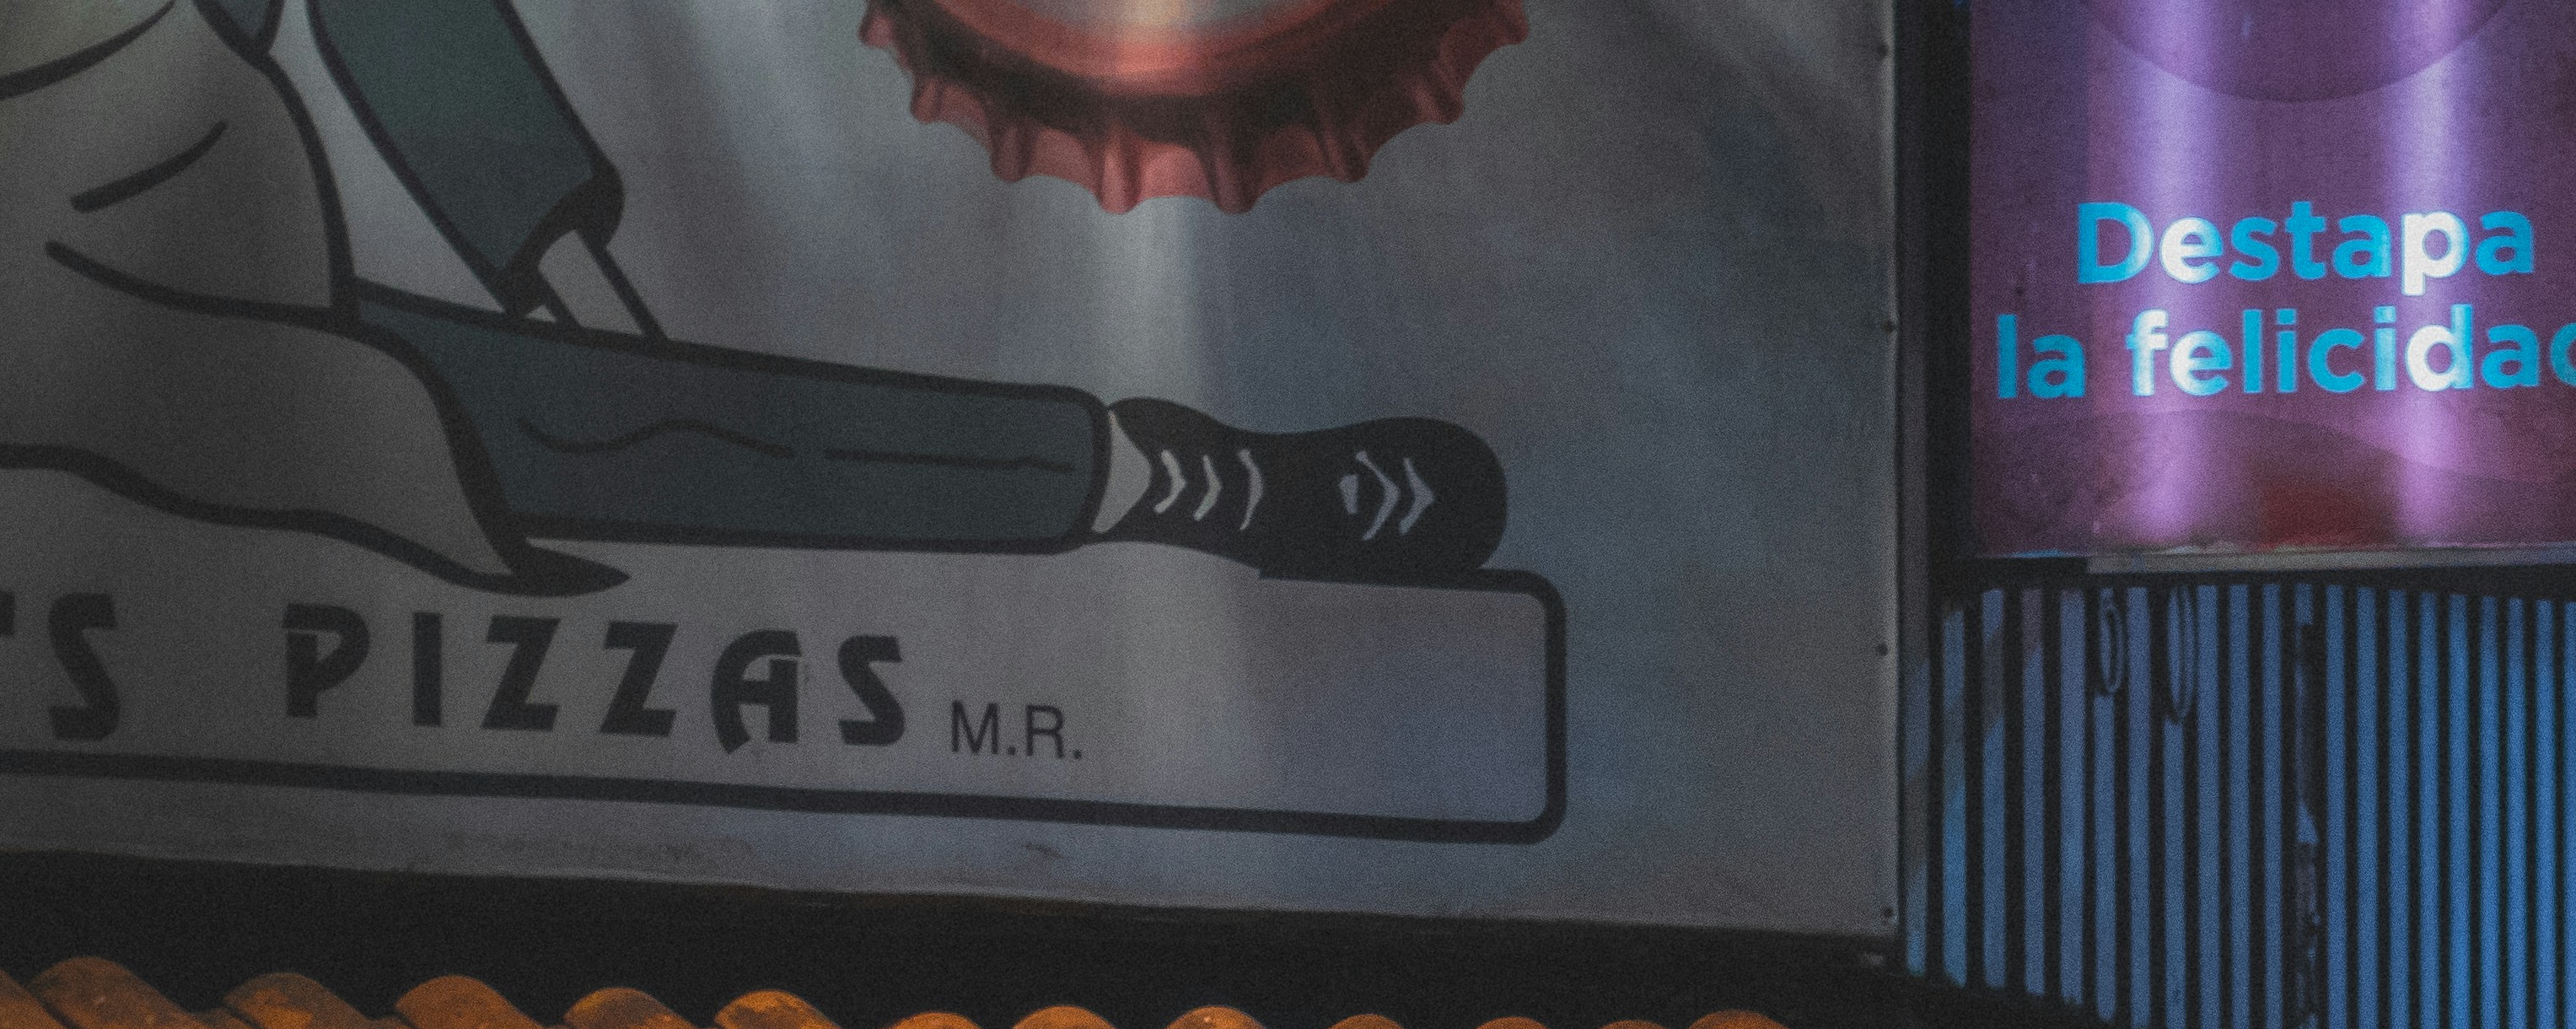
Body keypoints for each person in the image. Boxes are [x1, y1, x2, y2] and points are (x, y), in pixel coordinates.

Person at [4, 0, 1506, 589]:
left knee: (604, 423)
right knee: (514, 431)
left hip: (230, 265)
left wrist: (563, 270)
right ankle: (1167, 477)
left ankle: (1170, 474)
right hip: (102, 309)